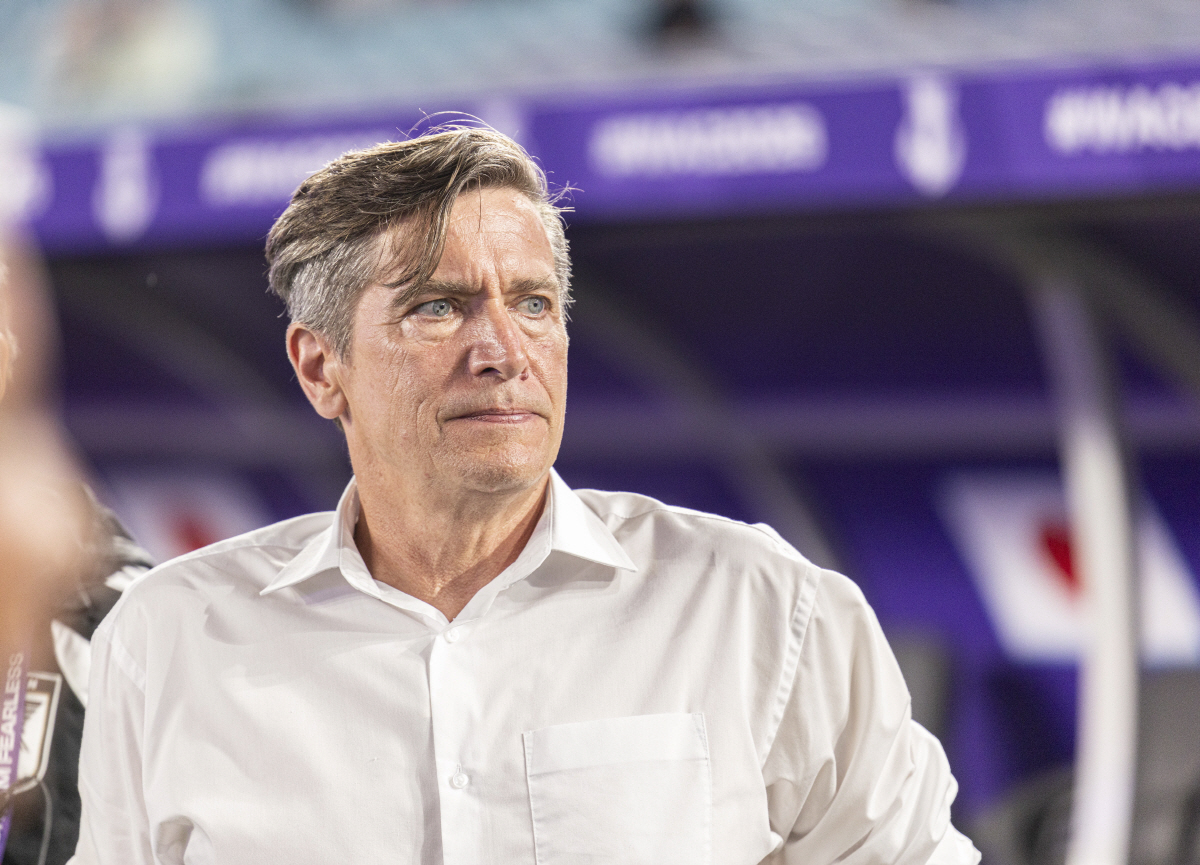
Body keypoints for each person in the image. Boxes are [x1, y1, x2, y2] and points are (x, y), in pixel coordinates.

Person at [71, 126, 980, 865]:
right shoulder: (169, 638)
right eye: (438, 306)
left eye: (535, 304)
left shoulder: (763, 608)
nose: (505, 351)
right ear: (321, 367)